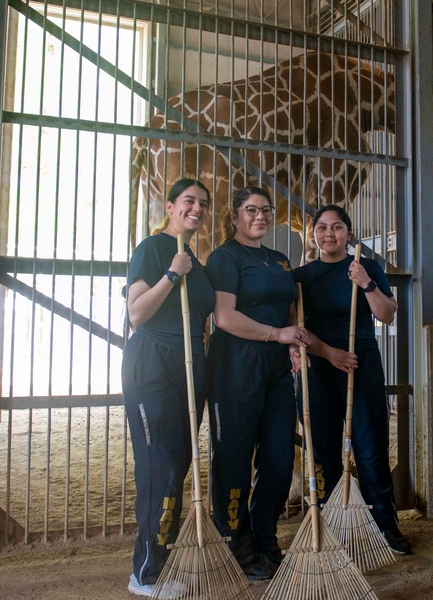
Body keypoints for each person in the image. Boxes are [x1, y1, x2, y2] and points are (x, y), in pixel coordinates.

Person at [293, 204, 412, 555]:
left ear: (348, 232)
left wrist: (367, 283)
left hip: (361, 363)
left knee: (371, 447)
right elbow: (297, 329)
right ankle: (333, 526)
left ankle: (386, 527)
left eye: (338, 227)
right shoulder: (301, 276)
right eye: (322, 227)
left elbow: (388, 314)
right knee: (326, 452)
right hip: (319, 366)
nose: (329, 233)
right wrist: (329, 353)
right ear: (313, 234)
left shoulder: (366, 266)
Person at [205, 186, 310, 579]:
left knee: (280, 459)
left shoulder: (280, 260)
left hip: (277, 369)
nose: (260, 216)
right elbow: (226, 318)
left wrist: (293, 340)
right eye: (251, 210)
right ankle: (238, 547)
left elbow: (289, 309)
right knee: (233, 459)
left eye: (266, 210)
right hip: (235, 364)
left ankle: (266, 540)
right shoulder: (225, 257)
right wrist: (277, 335)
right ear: (234, 217)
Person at [120, 179, 214, 598]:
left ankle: (160, 560)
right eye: (189, 201)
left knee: (177, 463)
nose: (197, 209)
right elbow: (137, 313)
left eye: (203, 204)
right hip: (152, 364)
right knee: (159, 464)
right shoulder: (155, 248)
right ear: (171, 205)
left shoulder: (194, 256)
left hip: (190, 367)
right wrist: (172, 276)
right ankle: (144, 573)